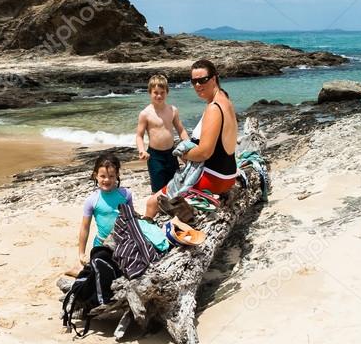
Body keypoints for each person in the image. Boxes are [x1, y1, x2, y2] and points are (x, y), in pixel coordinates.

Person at [145, 59, 238, 218]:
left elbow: (204, 153)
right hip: (229, 174)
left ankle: (144, 238)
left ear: (214, 78)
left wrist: (183, 155)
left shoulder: (213, 108)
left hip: (213, 178)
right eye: (193, 81)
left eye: (203, 80)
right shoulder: (225, 100)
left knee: (152, 203)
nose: (197, 85)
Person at [70, 154, 133, 274]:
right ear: (96, 176)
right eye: (102, 176)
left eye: (111, 176)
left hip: (123, 243)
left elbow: (131, 219)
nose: (107, 180)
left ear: (117, 175)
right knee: (100, 273)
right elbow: (85, 227)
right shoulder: (92, 200)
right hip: (101, 244)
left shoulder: (126, 195)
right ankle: (80, 270)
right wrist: (81, 253)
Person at [135, 74, 189, 194]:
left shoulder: (172, 110)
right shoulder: (145, 113)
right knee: (158, 188)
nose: (159, 95)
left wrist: (188, 144)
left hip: (171, 154)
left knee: (174, 184)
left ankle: (173, 207)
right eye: (156, 92)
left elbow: (181, 130)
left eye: (162, 92)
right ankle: (159, 208)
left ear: (167, 92)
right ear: (150, 92)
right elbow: (139, 135)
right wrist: (142, 150)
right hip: (155, 156)